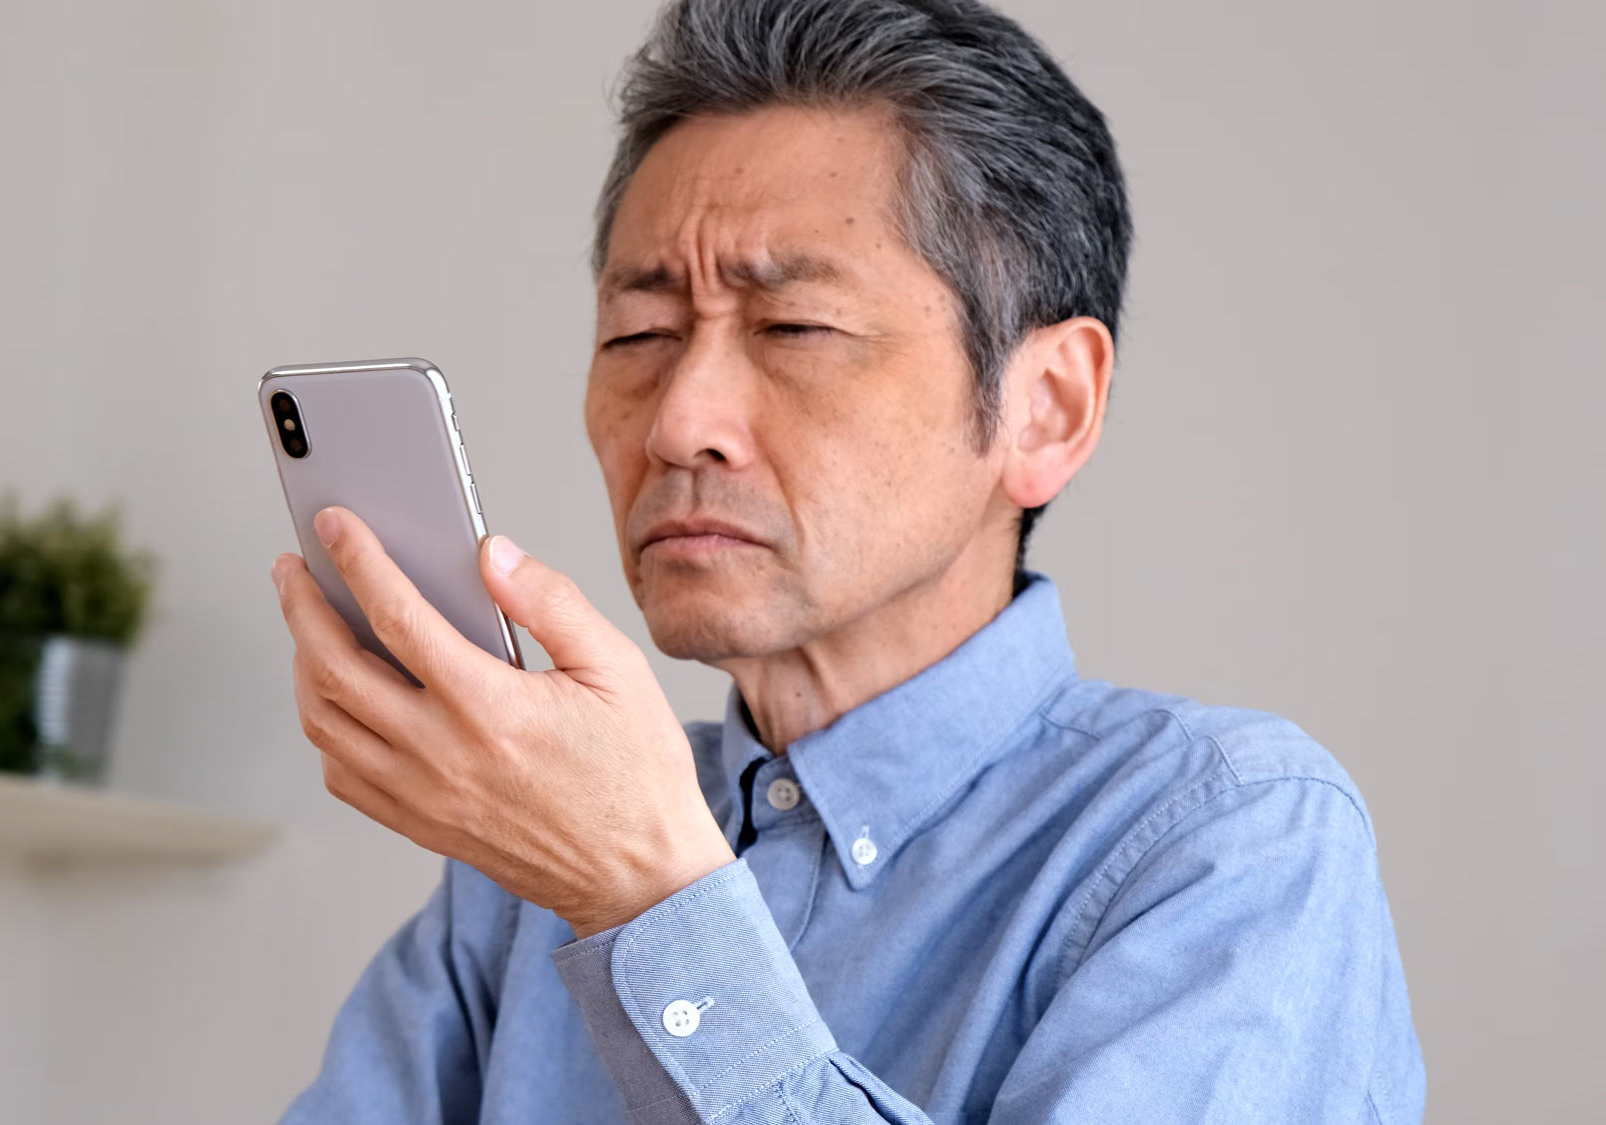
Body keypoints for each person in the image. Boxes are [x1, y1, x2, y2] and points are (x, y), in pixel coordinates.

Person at [271, 0, 1426, 1120]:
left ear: (1046, 407)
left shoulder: (1226, 836)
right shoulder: (523, 871)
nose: (677, 422)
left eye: (794, 329)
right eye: (638, 335)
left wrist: (640, 895)